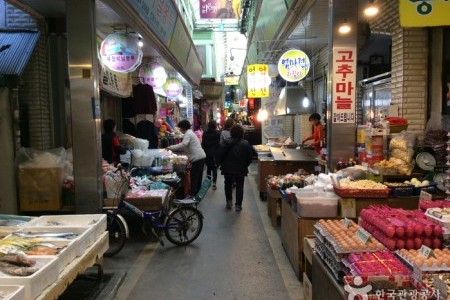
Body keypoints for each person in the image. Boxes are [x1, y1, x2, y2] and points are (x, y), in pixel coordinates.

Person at [166, 120, 206, 197]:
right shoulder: (190, 133)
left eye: (180, 128)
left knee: (195, 177)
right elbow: (186, 147)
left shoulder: (188, 133)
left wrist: (170, 147)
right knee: (197, 177)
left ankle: (192, 196)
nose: (180, 130)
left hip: (197, 158)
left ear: (183, 128)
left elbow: (183, 145)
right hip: (200, 157)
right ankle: (196, 195)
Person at [219, 124, 253, 212]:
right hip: (240, 169)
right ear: (242, 133)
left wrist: (222, 164)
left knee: (228, 184)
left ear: (231, 132)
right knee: (240, 186)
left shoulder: (226, 141)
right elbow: (249, 158)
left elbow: (221, 155)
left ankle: (229, 202)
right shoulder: (245, 143)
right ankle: (238, 205)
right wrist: (245, 165)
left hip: (227, 168)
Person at [201, 120, 221, 190]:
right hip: (215, 153)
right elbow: (218, 144)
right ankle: (214, 184)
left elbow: (203, 144)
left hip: (207, 153)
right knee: (214, 168)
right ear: (215, 125)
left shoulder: (205, 133)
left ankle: (208, 183)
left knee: (208, 168)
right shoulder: (217, 133)